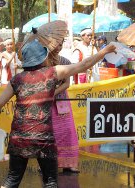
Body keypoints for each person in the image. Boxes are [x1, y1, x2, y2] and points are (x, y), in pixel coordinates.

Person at [0, 39, 116, 187]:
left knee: (12, 180)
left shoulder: (17, 79)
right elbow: (83, 65)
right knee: (50, 181)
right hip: (43, 138)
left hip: (19, 137)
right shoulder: (53, 72)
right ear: (43, 58)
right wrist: (105, 51)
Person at [47, 40, 80, 173]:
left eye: (60, 44)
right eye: (55, 44)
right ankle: (47, 164)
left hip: (61, 101)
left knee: (67, 130)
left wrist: (53, 93)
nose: (57, 47)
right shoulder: (42, 62)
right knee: (48, 132)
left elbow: (67, 84)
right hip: (45, 102)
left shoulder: (65, 61)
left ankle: (69, 163)